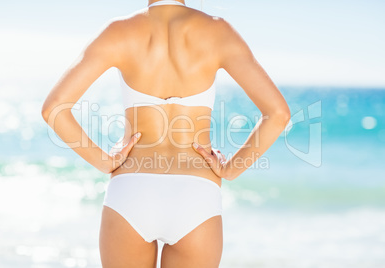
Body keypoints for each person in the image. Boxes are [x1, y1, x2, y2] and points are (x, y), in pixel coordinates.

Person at [41, 0, 291, 267]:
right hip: (197, 195)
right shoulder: (218, 31)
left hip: (131, 191)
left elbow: (54, 109)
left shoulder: (118, 31)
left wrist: (105, 161)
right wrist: (231, 169)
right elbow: (278, 114)